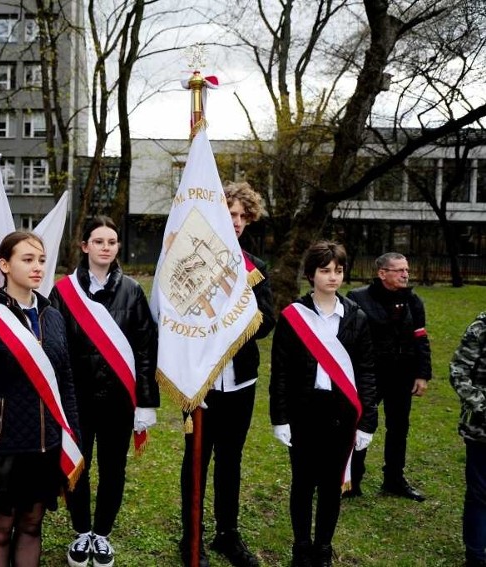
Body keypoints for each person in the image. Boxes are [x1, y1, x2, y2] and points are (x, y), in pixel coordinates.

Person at [0, 231, 81, 567]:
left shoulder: (53, 317)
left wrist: (75, 442)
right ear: (5, 264)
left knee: (32, 527)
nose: (37, 267)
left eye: (41, 260)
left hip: (44, 449)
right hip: (3, 452)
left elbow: (67, 385)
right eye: (27, 260)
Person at [49, 216, 159, 567]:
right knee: (78, 467)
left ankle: (103, 533)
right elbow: (55, 348)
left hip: (118, 402)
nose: (106, 247)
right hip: (77, 401)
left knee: (114, 469)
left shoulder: (132, 290)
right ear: (84, 246)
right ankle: (82, 532)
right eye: (98, 241)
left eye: (112, 242)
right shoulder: (63, 291)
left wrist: (145, 401)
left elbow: (145, 349)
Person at [179, 181, 276, 567]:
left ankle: (227, 534)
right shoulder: (191, 260)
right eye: (229, 214)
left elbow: (268, 322)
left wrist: (239, 308)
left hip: (240, 381)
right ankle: (192, 536)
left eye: (241, 216)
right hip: (200, 381)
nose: (235, 222)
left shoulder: (255, 268)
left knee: (230, 460)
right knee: (195, 462)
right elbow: (176, 322)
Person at [269, 241, 377, 567]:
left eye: (338, 270)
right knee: (302, 484)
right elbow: (281, 372)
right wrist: (280, 418)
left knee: (332, 487)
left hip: (341, 414)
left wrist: (368, 421)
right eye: (325, 270)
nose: (333, 277)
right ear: (311, 274)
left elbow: (367, 373)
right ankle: (301, 548)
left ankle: (323, 549)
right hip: (304, 412)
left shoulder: (356, 317)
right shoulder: (293, 317)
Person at [346, 252, 432, 501]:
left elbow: (421, 339)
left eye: (407, 269)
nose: (406, 274)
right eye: (399, 270)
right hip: (369, 376)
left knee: (398, 428)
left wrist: (422, 374)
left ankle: (394, 479)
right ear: (382, 273)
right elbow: (350, 341)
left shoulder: (413, 301)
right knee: (361, 424)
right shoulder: (357, 298)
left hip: (402, 376)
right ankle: (351, 480)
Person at [449, 311, 486, 567]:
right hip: (483, 431)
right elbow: (458, 372)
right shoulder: (481, 328)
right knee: (481, 493)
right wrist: (482, 406)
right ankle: (476, 555)